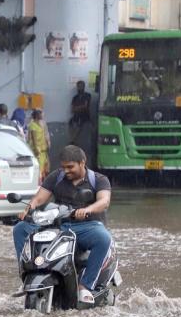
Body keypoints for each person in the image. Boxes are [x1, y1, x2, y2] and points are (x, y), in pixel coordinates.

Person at [12, 145, 113, 305]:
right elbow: (38, 199)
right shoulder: (56, 177)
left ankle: (84, 286)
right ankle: (26, 276)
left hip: (86, 226)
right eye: (63, 167)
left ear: (82, 162)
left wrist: (87, 209)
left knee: (104, 238)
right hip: (58, 226)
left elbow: (104, 201)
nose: (66, 171)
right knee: (20, 229)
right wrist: (28, 209)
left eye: (70, 167)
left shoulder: (99, 180)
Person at [28, 109, 51, 179]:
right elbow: (34, 140)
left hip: (44, 150)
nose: (43, 115)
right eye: (42, 113)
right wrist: (37, 150)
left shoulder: (42, 124)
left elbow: (45, 135)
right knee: (39, 171)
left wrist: (48, 143)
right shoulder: (32, 125)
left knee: (46, 169)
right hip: (38, 151)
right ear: (37, 115)